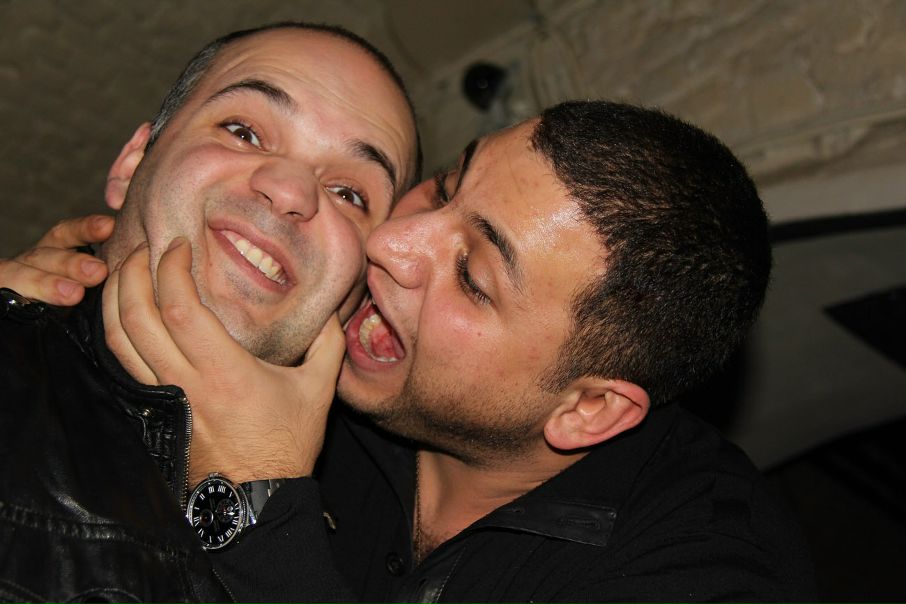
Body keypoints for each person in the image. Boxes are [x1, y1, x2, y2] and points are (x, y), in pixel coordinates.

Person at [3, 101, 817, 601]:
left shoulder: (704, 574)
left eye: (472, 275)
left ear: (589, 409)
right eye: (447, 186)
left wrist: (257, 499)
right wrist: (45, 321)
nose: (391, 240)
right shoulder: (332, 336)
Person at [0, 21, 420, 602]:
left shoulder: (375, 554)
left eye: (350, 194)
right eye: (243, 131)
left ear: (359, 298)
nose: (290, 191)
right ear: (132, 163)